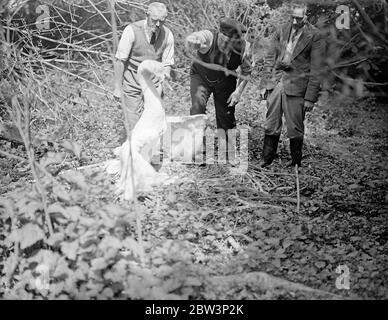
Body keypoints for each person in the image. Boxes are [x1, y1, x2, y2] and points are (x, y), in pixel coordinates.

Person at [259, 3, 324, 168]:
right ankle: (267, 159)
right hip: (276, 82)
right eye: (293, 17)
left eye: (299, 18)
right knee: (271, 122)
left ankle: (295, 162)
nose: (295, 21)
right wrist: (265, 83)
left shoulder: (315, 35)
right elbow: (269, 57)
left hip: (297, 85)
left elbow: (317, 69)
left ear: (306, 15)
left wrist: (310, 98)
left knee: (295, 126)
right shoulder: (282, 29)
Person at [185, 17, 253, 161]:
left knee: (226, 115)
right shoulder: (209, 37)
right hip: (201, 77)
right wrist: (193, 39)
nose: (229, 44)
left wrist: (238, 92)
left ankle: (228, 153)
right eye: (225, 40)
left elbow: (246, 71)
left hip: (225, 80)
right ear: (220, 34)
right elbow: (198, 36)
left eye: (233, 42)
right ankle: (198, 152)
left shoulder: (245, 48)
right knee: (197, 109)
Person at [113, 2, 174, 142]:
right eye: (155, 20)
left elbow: (168, 63)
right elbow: (120, 60)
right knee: (133, 121)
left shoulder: (168, 34)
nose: (158, 24)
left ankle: (152, 152)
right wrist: (117, 87)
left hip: (153, 85)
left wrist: (165, 74)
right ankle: (133, 152)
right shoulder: (132, 30)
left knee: (154, 119)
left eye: (162, 21)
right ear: (147, 15)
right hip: (132, 82)